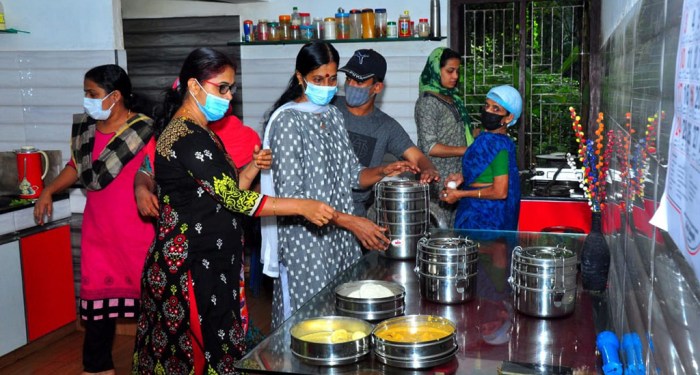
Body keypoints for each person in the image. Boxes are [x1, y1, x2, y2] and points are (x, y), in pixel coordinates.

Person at [131, 47, 335, 375]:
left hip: (212, 261)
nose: (228, 96)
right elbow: (236, 200)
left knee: (219, 346)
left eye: (231, 88)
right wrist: (301, 206)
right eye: (221, 88)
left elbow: (226, 189)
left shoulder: (203, 132)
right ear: (194, 87)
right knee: (200, 354)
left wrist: (253, 167)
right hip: (190, 267)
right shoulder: (186, 136)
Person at [261, 42, 419, 328]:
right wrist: (354, 223)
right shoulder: (287, 121)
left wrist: (383, 170)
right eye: (318, 79)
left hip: (339, 236)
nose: (328, 85)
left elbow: (352, 174)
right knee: (310, 326)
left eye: (333, 78)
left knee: (345, 323)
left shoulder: (331, 114)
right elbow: (294, 199)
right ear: (300, 77)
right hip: (305, 242)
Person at [33, 64, 155, 375]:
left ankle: (157, 365)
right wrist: (49, 190)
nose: (87, 100)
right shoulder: (85, 130)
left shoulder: (143, 131)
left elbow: (151, 172)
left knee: (152, 310)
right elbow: (76, 168)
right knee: (98, 314)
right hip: (98, 235)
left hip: (137, 235)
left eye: (93, 94)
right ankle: (97, 369)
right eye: (86, 93)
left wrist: (145, 191)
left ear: (115, 97)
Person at [334, 48, 440, 217]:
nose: (351, 85)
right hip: (320, 205)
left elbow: (418, 158)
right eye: (348, 79)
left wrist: (428, 170)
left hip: (355, 211)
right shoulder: (329, 108)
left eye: (359, 82)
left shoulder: (386, 126)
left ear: (377, 87)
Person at [440, 85, 522, 230]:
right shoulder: (484, 138)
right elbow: (486, 171)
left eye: (496, 109)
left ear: (509, 117)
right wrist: (463, 178)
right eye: (487, 106)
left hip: (488, 219)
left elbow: (500, 191)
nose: (488, 111)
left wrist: (460, 193)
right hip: (472, 212)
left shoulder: (499, 145)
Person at [415, 47, 474, 227]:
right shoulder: (427, 102)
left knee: (454, 234)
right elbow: (430, 147)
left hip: (456, 177)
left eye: (457, 71)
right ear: (435, 69)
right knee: (437, 233)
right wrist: (468, 150)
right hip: (436, 179)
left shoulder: (452, 98)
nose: (455, 76)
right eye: (450, 71)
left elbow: (457, 132)